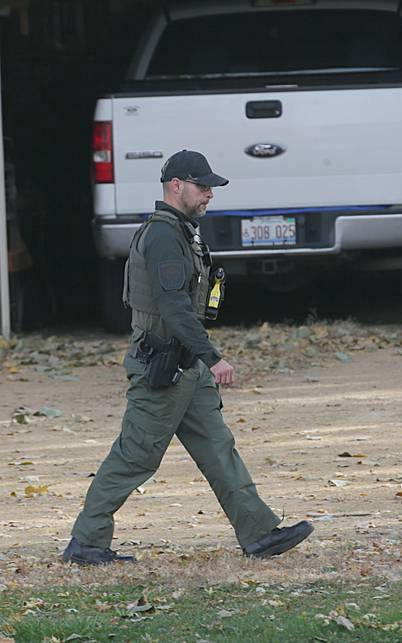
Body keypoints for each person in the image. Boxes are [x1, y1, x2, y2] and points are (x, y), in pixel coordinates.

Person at [62, 150, 313, 565]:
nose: (210, 193)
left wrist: (200, 361)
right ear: (176, 186)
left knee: (218, 448)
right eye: (203, 186)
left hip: (184, 368)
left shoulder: (183, 231)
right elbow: (174, 306)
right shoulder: (163, 235)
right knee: (135, 455)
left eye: (211, 186)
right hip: (164, 367)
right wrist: (212, 357)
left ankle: (260, 533)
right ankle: (87, 542)